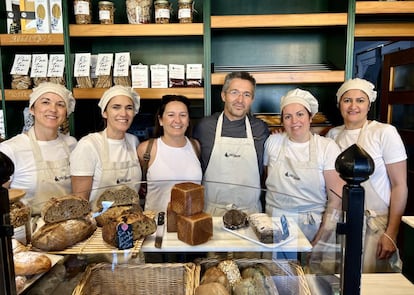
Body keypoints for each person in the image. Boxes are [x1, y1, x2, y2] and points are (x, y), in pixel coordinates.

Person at [326, 78, 408, 273]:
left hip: (374, 227)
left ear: (369, 104)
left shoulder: (384, 133)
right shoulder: (332, 135)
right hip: (342, 223)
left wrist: (391, 233)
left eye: (360, 100)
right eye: (347, 100)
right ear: (339, 104)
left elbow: (400, 185)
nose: (353, 106)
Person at [264, 88, 344, 246]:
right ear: (282, 121)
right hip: (275, 224)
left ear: (311, 116)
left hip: (312, 225)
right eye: (288, 116)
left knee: (308, 270)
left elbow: (336, 200)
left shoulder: (327, 147)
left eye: (300, 114)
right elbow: (266, 179)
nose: (294, 121)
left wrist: (321, 237)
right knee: (276, 270)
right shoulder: (272, 142)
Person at [193, 71, 270, 216]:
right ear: (223, 95)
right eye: (234, 92)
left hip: (250, 214)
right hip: (212, 213)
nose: (240, 100)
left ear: (252, 99)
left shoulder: (260, 129)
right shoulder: (205, 127)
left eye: (246, 94)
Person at [0, 82, 76, 215]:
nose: (53, 109)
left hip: (68, 227)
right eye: (45, 102)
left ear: (67, 112)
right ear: (32, 109)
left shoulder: (72, 145)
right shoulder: (10, 149)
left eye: (60, 104)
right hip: (29, 230)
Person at [70, 85, 141, 211]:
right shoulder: (89, 145)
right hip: (98, 224)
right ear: (104, 112)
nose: (123, 113)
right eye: (116, 107)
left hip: (130, 221)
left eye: (129, 108)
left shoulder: (133, 141)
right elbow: (80, 200)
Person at [137, 95, 202, 213]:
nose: (177, 120)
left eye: (183, 115)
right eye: (171, 115)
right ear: (161, 120)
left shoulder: (195, 146)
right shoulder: (146, 149)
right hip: (156, 225)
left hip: (190, 223)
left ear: (188, 121)